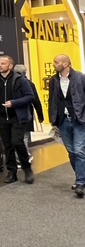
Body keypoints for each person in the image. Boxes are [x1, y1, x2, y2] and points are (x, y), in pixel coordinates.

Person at [0, 55, 34, 184]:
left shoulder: (20, 80)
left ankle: (27, 169)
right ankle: (12, 172)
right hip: (2, 118)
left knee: (17, 142)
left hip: (17, 117)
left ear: (10, 66)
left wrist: (14, 103)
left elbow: (30, 96)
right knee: (7, 146)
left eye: (3, 63)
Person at [48, 54, 85, 197]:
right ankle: (81, 177)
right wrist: (53, 119)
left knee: (79, 150)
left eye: (56, 62)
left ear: (66, 64)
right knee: (71, 152)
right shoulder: (54, 80)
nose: (54, 64)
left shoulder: (80, 78)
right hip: (63, 121)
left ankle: (80, 183)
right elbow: (52, 100)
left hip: (79, 120)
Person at [13, 64, 44, 164]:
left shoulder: (10, 83)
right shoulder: (29, 84)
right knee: (24, 137)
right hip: (26, 113)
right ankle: (23, 159)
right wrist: (40, 115)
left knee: (16, 137)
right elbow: (35, 100)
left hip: (13, 113)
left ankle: (18, 158)